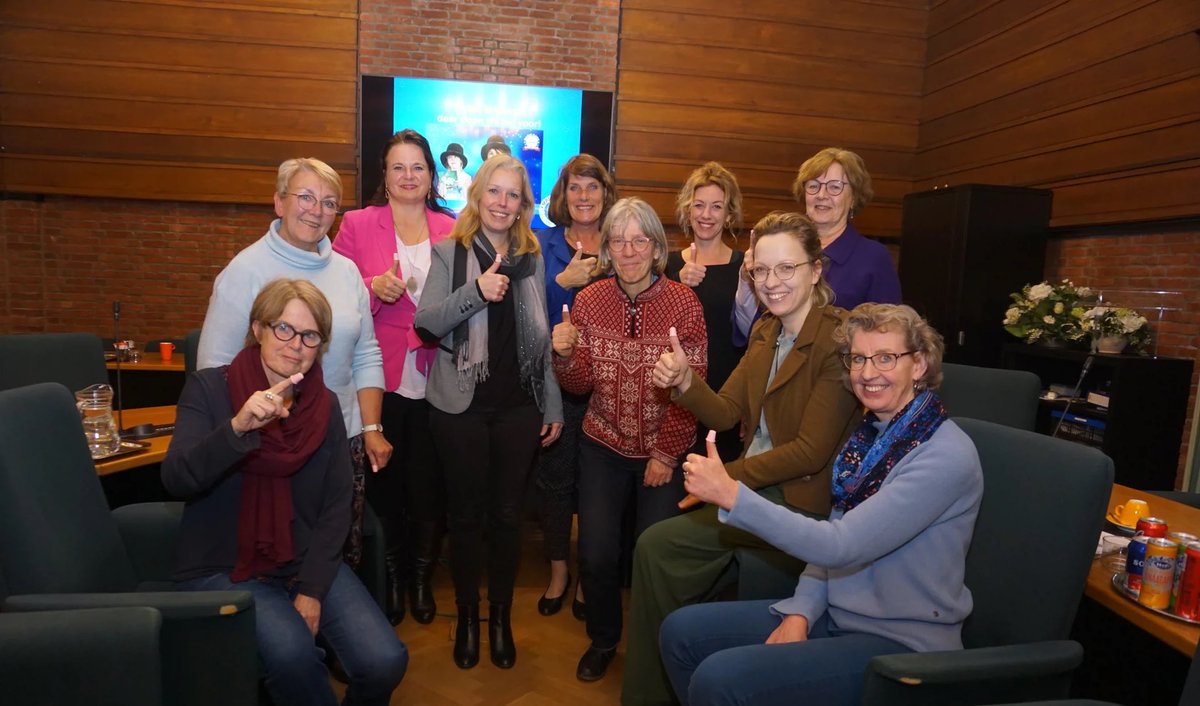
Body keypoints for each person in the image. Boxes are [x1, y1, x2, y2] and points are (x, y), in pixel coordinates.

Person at [658, 303, 983, 706]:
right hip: (838, 612)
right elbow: (836, 535)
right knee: (680, 633)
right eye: (858, 359)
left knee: (720, 680)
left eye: (886, 358)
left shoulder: (943, 454)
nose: (867, 373)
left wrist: (732, 494)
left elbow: (838, 544)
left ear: (918, 365)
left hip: (901, 642)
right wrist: (801, 611)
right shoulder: (872, 436)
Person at [621, 211, 862, 706]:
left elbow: (809, 453)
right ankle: (658, 692)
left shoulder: (839, 340)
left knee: (698, 550)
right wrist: (686, 382)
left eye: (786, 269)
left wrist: (722, 478)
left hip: (800, 502)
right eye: (762, 271)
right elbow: (728, 412)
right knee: (656, 547)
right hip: (751, 490)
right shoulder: (766, 331)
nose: (772, 283)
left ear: (816, 269)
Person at [164, 279, 408, 706]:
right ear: (258, 328)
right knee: (295, 657)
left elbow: (337, 506)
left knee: (385, 660)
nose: (296, 345)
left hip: (304, 559)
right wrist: (237, 428)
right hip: (226, 563)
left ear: (320, 346)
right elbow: (177, 478)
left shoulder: (325, 405)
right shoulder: (208, 389)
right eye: (284, 329)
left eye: (310, 336)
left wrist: (312, 590)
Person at [198, 157, 391, 570]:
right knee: (275, 556)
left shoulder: (347, 272)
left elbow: (366, 353)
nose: (316, 210)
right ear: (278, 202)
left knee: (335, 557)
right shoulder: (244, 272)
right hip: (264, 444)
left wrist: (371, 429)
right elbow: (214, 369)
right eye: (304, 197)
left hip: (341, 440)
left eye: (328, 202)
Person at [412, 154, 563, 671]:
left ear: (524, 205)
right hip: (460, 408)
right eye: (493, 192)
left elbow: (541, 341)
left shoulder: (531, 258)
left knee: (506, 519)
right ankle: (469, 619)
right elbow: (426, 324)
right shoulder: (448, 252)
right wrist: (476, 292)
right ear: (477, 196)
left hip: (519, 407)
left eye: (513, 195)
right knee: (466, 517)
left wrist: (553, 403)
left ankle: (500, 618)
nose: (502, 203)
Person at [552, 197, 707, 682]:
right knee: (596, 553)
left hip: (662, 453)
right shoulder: (589, 299)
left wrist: (664, 453)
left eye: (640, 240)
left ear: (657, 248)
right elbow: (578, 386)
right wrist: (565, 354)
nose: (629, 250)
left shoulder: (685, 303)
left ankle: (653, 648)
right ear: (608, 249)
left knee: (652, 555)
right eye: (618, 240)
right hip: (602, 445)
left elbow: (694, 386)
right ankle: (603, 640)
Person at [331, 129, 456, 626]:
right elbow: (331, 290)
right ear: (384, 176)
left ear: (431, 176)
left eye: (417, 167)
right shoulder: (358, 224)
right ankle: (392, 580)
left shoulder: (452, 229)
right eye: (398, 167)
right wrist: (369, 285)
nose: (408, 176)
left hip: (437, 376)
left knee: (428, 487)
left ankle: (421, 578)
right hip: (375, 378)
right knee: (383, 487)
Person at [533, 153, 618, 620]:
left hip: (608, 384)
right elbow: (525, 313)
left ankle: (588, 574)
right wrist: (563, 282)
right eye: (575, 187)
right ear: (562, 196)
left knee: (598, 486)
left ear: (605, 194)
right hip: (553, 383)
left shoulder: (621, 243)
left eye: (592, 187)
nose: (584, 196)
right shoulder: (541, 244)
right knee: (555, 483)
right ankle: (559, 571)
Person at [666, 162, 754, 462]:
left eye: (716, 207)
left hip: (725, 397)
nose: (706, 215)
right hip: (675, 396)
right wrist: (677, 283)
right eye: (699, 205)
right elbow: (652, 329)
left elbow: (755, 340)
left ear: (729, 214)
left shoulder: (744, 267)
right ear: (687, 209)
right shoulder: (667, 265)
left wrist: (749, 403)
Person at [793, 147, 901, 309]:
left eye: (835, 187)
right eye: (814, 185)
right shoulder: (788, 247)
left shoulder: (874, 257)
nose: (821, 195)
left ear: (853, 198)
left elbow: (889, 327)